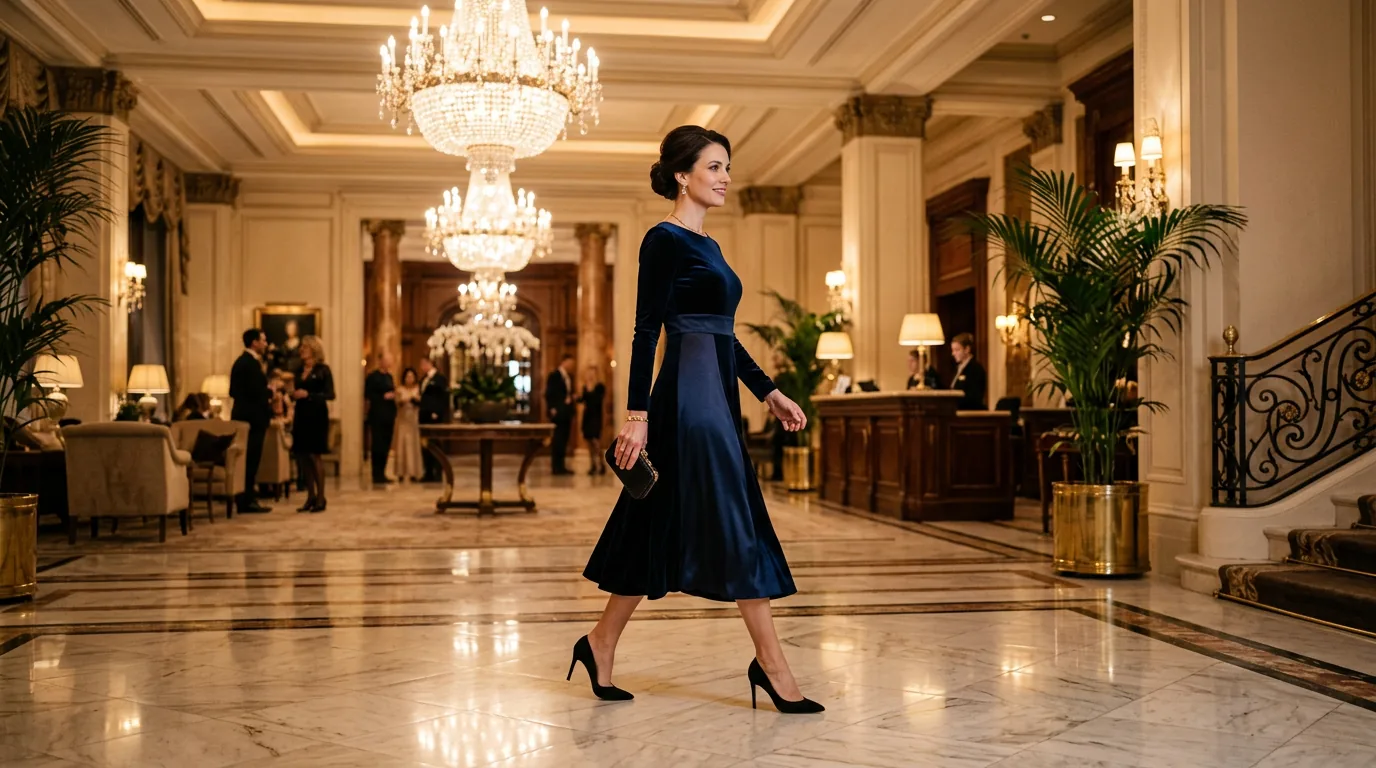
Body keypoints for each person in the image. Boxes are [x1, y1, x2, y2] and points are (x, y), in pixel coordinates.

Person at [577, 126, 822, 714]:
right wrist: (636, 416)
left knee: (652, 521)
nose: (726, 177)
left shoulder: (709, 247)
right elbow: (644, 332)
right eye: (714, 167)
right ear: (683, 175)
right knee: (736, 517)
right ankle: (773, 665)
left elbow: (723, 335)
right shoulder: (662, 240)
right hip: (688, 401)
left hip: (717, 396)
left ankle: (600, 641)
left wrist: (769, 392)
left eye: (728, 167)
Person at [229, 328, 273, 514]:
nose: (265, 343)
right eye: (263, 340)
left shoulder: (245, 362)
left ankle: (247, 498)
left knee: (250, 461)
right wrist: (269, 391)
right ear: (254, 342)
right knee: (250, 461)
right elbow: (247, 391)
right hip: (252, 419)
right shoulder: (248, 363)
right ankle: (247, 500)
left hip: (249, 417)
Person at [291, 335, 334, 513]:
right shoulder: (299, 369)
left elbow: (330, 395)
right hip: (301, 415)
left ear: (314, 350)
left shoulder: (323, 370)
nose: (301, 350)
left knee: (314, 455)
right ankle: (310, 496)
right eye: (301, 347)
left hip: (316, 416)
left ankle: (321, 498)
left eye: (305, 347)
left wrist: (308, 395)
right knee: (302, 456)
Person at [364, 351, 398, 485]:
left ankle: (382, 472)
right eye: (387, 360)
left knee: (386, 444)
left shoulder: (389, 376)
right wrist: (383, 397)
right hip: (377, 415)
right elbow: (368, 394)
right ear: (381, 361)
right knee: (377, 444)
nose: (389, 362)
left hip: (389, 415)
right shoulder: (373, 377)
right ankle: (376, 473)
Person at [417, 357, 450, 481]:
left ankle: (437, 472)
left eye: (423, 363)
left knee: (435, 443)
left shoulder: (439, 379)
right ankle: (428, 472)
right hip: (424, 416)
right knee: (425, 444)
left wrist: (437, 411)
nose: (422, 366)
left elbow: (443, 397)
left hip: (434, 416)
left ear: (430, 363)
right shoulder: (424, 379)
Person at [544, 354, 576, 475]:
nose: (572, 366)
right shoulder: (554, 376)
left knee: (564, 440)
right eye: (570, 363)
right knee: (557, 440)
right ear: (564, 362)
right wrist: (553, 408)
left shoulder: (569, 377)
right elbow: (549, 393)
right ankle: (556, 466)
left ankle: (561, 466)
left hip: (566, 413)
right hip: (558, 413)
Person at [394, 367, 424, 483]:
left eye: (412, 376)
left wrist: (414, 399)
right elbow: (397, 403)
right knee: (401, 445)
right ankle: (400, 472)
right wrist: (404, 400)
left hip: (413, 421)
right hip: (402, 421)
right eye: (407, 376)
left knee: (413, 446)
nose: (409, 379)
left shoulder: (418, 389)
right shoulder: (400, 389)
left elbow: (420, 403)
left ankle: (414, 472)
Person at [577, 365, 607, 475]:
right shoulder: (585, 386)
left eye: (592, 373)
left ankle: (602, 463)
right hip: (587, 417)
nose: (590, 375)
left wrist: (589, 391)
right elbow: (582, 400)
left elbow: (596, 401)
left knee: (596, 442)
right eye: (589, 373)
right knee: (589, 442)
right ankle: (593, 465)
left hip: (596, 417)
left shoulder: (600, 387)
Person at [950, 332, 988, 410]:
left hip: (969, 414)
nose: (953, 353)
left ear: (967, 349)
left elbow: (974, 397)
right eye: (953, 350)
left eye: (957, 350)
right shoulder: (958, 368)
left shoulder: (975, 369)